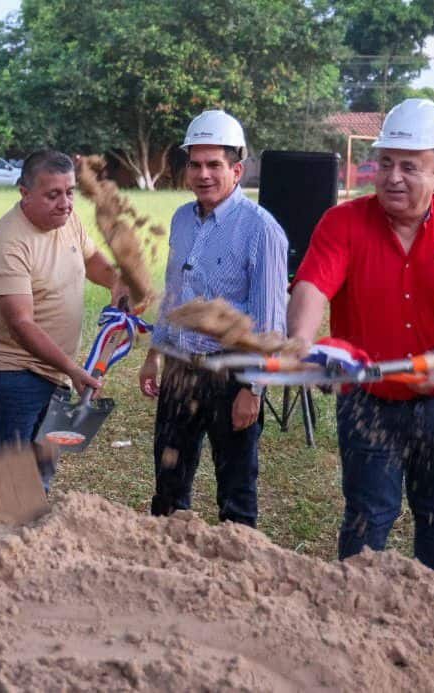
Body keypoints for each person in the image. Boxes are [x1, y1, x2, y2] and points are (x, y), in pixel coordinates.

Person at [285, 98, 434, 573]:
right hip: (367, 399)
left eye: (410, 166)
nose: (392, 177)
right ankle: (356, 613)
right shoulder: (342, 224)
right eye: (385, 162)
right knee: (368, 516)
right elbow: (311, 285)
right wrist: (302, 344)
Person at [137, 110, 288, 528]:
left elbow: (270, 321)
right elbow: (174, 294)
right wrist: (154, 355)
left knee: (236, 492)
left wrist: (253, 390)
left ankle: (235, 582)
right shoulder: (182, 219)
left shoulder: (262, 230)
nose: (204, 174)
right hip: (180, 369)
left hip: (231, 371)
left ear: (236, 169)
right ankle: (167, 572)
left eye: (214, 165)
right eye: (196, 164)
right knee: (168, 487)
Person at [0, 149, 128, 491]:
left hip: (55, 372)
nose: (65, 203)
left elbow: (92, 260)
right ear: (25, 193)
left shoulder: (67, 220)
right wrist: (74, 371)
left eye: (70, 192)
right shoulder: (8, 243)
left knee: (42, 471)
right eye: (53, 194)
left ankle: (28, 539)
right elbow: (21, 324)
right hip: (12, 374)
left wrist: (116, 282)